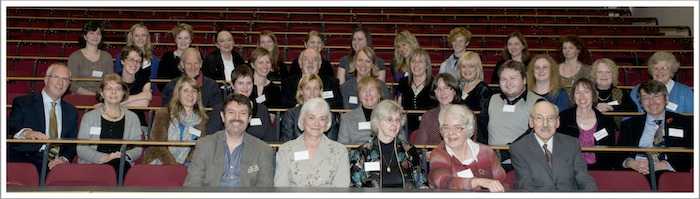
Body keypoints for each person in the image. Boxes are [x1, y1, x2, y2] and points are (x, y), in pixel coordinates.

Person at [184, 93, 274, 187]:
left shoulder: (263, 150)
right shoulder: (204, 146)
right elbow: (192, 185)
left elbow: (265, 190)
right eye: (231, 112)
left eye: (242, 113)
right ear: (223, 116)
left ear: (249, 119)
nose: (237, 118)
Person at [509, 101, 597, 191]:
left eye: (550, 118)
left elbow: (583, 178)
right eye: (539, 118)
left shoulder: (572, 144)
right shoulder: (518, 149)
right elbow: (525, 185)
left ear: (557, 122)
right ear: (531, 122)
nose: (545, 124)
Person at [617, 80, 693, 184]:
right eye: (646, 98)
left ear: (666, 99)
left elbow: (691, 155)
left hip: (670, 173)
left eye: (656, 96)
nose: (651, 102)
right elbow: (618, 154)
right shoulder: (630, 124)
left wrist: (662, 165)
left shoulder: (685, 123)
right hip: (637, 172)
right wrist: (632, 164)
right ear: (641, 104)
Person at [8, 63, 78, 171]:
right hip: (25, 160)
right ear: (45, 79)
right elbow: (11, 126)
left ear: (69, 84)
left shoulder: (71, 111)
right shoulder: (24, 102)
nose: (60, 82)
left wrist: (64, 159)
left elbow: (71, 144)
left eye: (65, 79)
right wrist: (27, 133)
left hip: (57, 164)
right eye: (56, 77)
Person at [477, 60, 544, 171]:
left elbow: (535, 134)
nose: (508, 83)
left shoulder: (538, 103)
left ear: (524, 80)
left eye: (513, 78)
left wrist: (506, 152)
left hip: (526, 164)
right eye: (504, 79)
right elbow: (480, 128)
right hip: (492, 163)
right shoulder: (492, 100)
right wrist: (487, 153)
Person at [349, 100, 427, 188]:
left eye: (397, 120)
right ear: (377, 123)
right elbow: (354, 188)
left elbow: (422, 185)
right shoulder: (363, 152)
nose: (395, 124)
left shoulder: (409, 151)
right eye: (390, 120)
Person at [274, 98, 350, 187]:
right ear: (302, 120)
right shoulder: (285, 150)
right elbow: (281, 189)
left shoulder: (340, 151)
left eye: (322, 119)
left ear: (327, 123)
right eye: (311, 118)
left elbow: (340, 191)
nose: (316, 123)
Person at [429, 104, 506, 192]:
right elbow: (443, 182)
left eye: (457, 128)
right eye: (446, 128)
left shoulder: (487, 152)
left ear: (469, 130)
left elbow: (502, 184)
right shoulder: (439, 153)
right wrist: (477, 181)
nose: (450, 132)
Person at [76, 73, 143, 175]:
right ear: (101, 92)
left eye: (118, 88)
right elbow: (81, 148)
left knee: (120, 167)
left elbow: (137, 148)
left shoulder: (132, 118)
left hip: (121, 165)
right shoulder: (89, 117)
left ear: (123, 92)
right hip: (93, 164)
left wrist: (124, 156)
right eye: (109, 88)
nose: (113, 92)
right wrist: (105, 158)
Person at [144, 76, 208, 166]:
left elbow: (199, 149)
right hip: (160, 162)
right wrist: (175, 166)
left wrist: (185, 164)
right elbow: (157, 145)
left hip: (188, 165)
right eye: (185, 90)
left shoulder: (202, 120)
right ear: (178, 94)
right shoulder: (163, 114)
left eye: (194, 91)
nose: (190, 94)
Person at [557, 78, 618, 170]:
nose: (582, 96)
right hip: (569, 170)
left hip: (599, 171)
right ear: (573, 96)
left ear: (594, 94)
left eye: (586, 92)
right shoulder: (563, 118)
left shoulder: (606, 121)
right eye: (577, 92)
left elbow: (610, 153)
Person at [207, 65, 276, 143]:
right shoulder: (219, 109)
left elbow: (270, 140)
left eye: (249, 83)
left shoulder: (262, 110)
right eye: (241, 83)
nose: (245, 87)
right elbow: (212, 139)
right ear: (232, 85)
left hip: (256, 153)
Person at [338, 76, 404, 144]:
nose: (368, 94)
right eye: (363, 91)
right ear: (359, 96)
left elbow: (403, 142)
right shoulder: (347, 118)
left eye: (371, 90)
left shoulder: (393, 115)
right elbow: (342, 148)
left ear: (379, 94)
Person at [281, 74, 339, 142]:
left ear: (320, 91)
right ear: (301, 91)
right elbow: (288, 143)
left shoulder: (329, 115)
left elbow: (331, 143)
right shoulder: (290, 115)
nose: (312, 93)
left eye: (316, 88)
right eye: (307, 88)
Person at [67, 21, 113, 95]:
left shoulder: (107, 57)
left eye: (98, 33)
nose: (95, 36)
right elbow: (72, 84)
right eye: (91, 33)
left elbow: (110, 82)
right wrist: (93, 95)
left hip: (102, 97)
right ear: (85, 36)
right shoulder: (75, 57)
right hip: (79, 97)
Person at [589, 58, 637, 127]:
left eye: (608, 72)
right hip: (591, 129)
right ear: (594, 75)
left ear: (613, 75)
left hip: (615, 131)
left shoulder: (621, 92)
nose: (604, 75)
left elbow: (633, 109)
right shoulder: (587, 92)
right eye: (600, 72)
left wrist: (612, 108)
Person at [416, 73, 462, 145]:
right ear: (434, 93)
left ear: (455, 91)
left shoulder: (466, 115)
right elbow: (420, 147)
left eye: (446, 88)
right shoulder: (427, 117)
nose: (442, 92)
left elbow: (471, 146)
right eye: (438, 89)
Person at [397, 49, 433, 134]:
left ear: (427, 65)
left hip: (429, 129)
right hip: (405, 129)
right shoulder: (403, 82)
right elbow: (398, 107)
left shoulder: (434, 84)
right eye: (413, 61)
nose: (416, 64)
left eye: (421, 61)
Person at [115, 23, 160, 90]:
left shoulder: (154, 60)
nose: (140, 38)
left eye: (143, 35)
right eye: (136, 36)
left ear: (147, 38)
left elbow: (152, 86)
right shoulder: (120, 57)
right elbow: (118, 82)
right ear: (132, 38)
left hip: (145, 95)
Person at [117, 45, 151, 127]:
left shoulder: (144, 80)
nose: (135, 64)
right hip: (117, 121)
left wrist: (116, 104)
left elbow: (144, 103)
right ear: (122, 61)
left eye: (138, 61)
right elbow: (109, 102)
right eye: (131, 59)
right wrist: (139, 96)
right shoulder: (114, 80)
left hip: (138, 123)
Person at [157, 23, 193, 92]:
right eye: (179, 38)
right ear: (175, 40)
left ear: (191, 40)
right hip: (172, 95)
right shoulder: (166, 58)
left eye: (186, 38)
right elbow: (161, 84)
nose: (183, 41)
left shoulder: (197, 56)